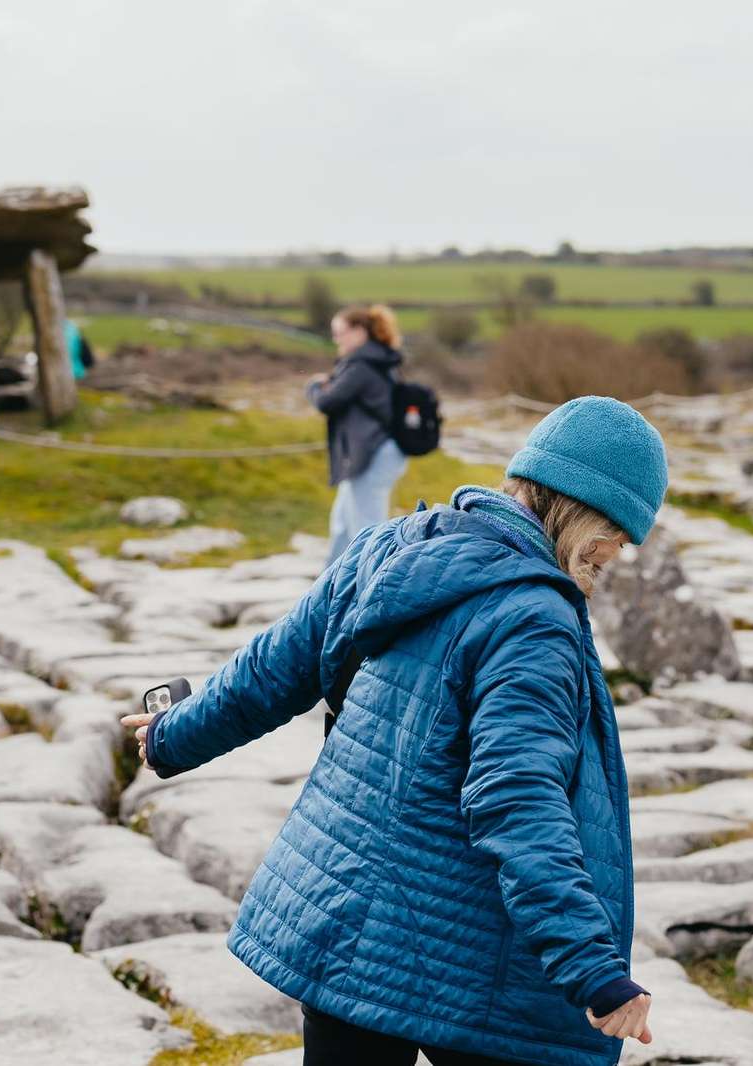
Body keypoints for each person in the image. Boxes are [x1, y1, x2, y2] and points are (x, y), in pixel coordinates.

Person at [122, 396, 667, 1066]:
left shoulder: (389, 548)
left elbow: (270, 671)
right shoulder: (533, 621)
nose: (618, 554)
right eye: (617, 535)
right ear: (583, 513)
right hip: (460, 951)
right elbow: (517, 797)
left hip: (341, 916)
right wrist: (594, 968)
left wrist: (171, 734)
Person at [308, 303, 408, 567]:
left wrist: (314, 386)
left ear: (359, 331)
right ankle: (329, 589)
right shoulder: (378, 360)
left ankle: (372, 586)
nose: (335, 339)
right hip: (373, 451)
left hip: (373, 453)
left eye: (339, 332)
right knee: (342, 525)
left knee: (368, 529)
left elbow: (327, 402)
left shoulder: (363, 365)